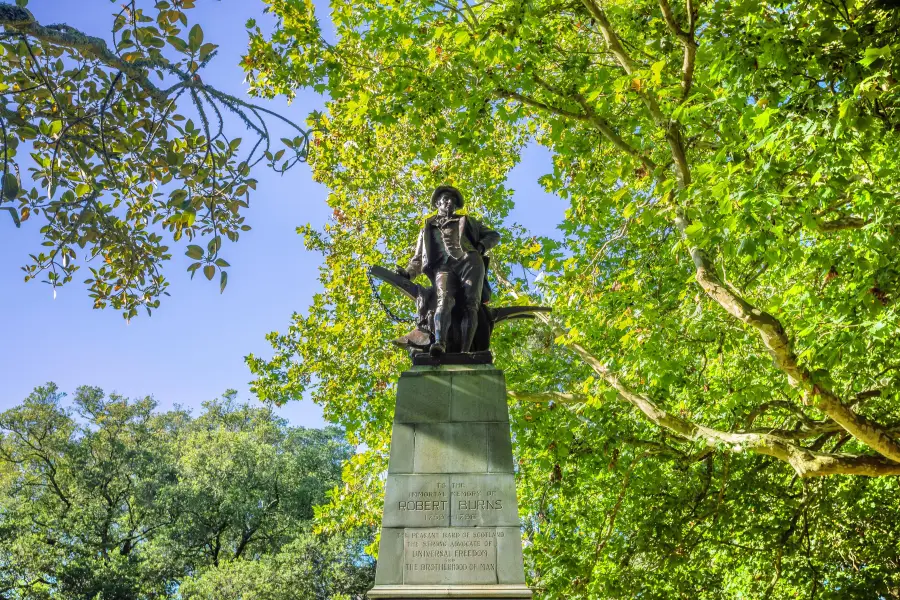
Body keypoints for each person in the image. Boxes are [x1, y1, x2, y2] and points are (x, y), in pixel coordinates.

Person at [397, 186, 500, 356]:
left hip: (470, 261)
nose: (449, 202)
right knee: (443, 300)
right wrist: (408, 273)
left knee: (471, 304)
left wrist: (480, 247)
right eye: (446, 199)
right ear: (437, 202)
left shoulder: (467, 221)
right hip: (443, 268)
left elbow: (493, 235)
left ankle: (465, 352)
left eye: (453, 201)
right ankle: (440, 343)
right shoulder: (427, 228)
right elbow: (418, 258)